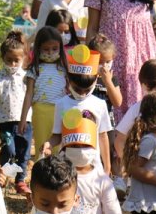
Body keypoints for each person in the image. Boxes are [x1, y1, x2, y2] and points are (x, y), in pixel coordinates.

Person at [46, 45, 112, 174]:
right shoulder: (61, 104)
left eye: (87, 90)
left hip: (93, 167)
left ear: (95, 81)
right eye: (77, 89)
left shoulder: (99, 104)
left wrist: (107, 166)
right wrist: (48, 144)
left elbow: (103, 137)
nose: (82, 93)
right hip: (67, 167)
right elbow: (57, 135)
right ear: (68, 80)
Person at [0, 31, 34, 194]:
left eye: (17, 60)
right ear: (3, 58)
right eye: (9, 60)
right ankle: (5, 172)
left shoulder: (26, 76)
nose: (13, 64)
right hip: (4, 121)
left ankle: (20, 180)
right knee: (9, 149)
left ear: (23, 59)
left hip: (25, 120)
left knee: (24, 151)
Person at [19, 27, 68, 160]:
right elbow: (29, 94)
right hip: (40, 111)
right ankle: (40, 176)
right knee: (42, 145)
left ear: (60, 48)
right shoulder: (34, 69)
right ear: (38, 48)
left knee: (59, 147)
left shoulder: (64, 69)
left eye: (54, 49)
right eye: (46, 49)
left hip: (61, 111)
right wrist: (23, 119)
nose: (50, 52)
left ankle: (58, 176)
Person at [88, 35, 124, 191]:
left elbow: (118, 102)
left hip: (106, 126)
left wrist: (108, 81)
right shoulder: (85, 78)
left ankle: (109, 183)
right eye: (100, 62)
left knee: (107, 154)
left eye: (108, 62)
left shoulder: (111, 78)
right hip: (88, 124)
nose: (104, 66)